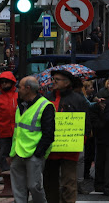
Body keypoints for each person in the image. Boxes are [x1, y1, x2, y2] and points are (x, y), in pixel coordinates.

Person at [43, 70, 90, 202]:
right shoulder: (47, 97)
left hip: (69, 150)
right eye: (53, 79)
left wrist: (82, 139)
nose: (53, 82)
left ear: (67, 82)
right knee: (49, 182)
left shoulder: (78, 99)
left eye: (57, 79)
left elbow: (86, 123)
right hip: (50, 149)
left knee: (69, 182)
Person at [9, 76, 55, 203]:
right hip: (18, 152)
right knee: (18, 188)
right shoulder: (21, 105)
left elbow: (49, 134)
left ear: (28, 89)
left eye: (20, 87)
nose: (17, 90)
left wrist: (38, 153)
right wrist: (11, 152)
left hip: (33, 153)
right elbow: (17, 130)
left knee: (34, 186)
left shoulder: (45, 106)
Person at [0, 71, 18, 175]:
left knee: (17, 154)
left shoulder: (19, 95)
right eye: (2, 82)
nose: (4, 84)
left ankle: (15, 175)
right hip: (3, 131)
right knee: (4, 154)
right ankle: (6, 176)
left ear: (11, 82)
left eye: (6, 82)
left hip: (17, 132)